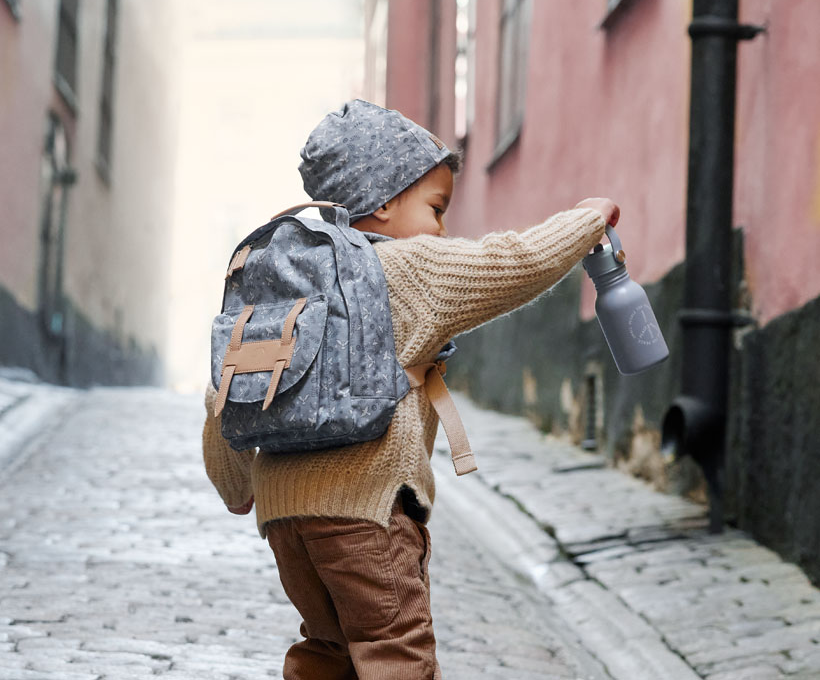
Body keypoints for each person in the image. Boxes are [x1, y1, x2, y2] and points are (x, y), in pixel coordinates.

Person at [201, 99, 619, 679]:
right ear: (384, 202)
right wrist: (587, 221)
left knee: (327, 648)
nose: (443, 228)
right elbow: (512, 263)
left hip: (284, 518)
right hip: (366, 511)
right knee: (393, 646)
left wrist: (236, 483)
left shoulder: (282, 277)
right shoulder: (404, 268)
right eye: (436, 207)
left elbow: (226, 390)